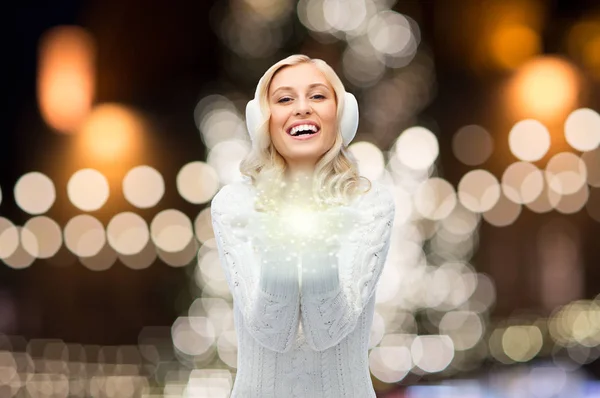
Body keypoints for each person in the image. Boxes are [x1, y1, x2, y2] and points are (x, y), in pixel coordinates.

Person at [210, 54, 395, 398]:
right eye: (284, 99)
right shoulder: (233, 204)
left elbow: (328, 330)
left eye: (318, 96)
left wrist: (314, 249)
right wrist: (282, 247)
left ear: (343, 114)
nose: (302, 108)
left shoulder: (370, 203)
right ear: (261, 120)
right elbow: (271, 330)